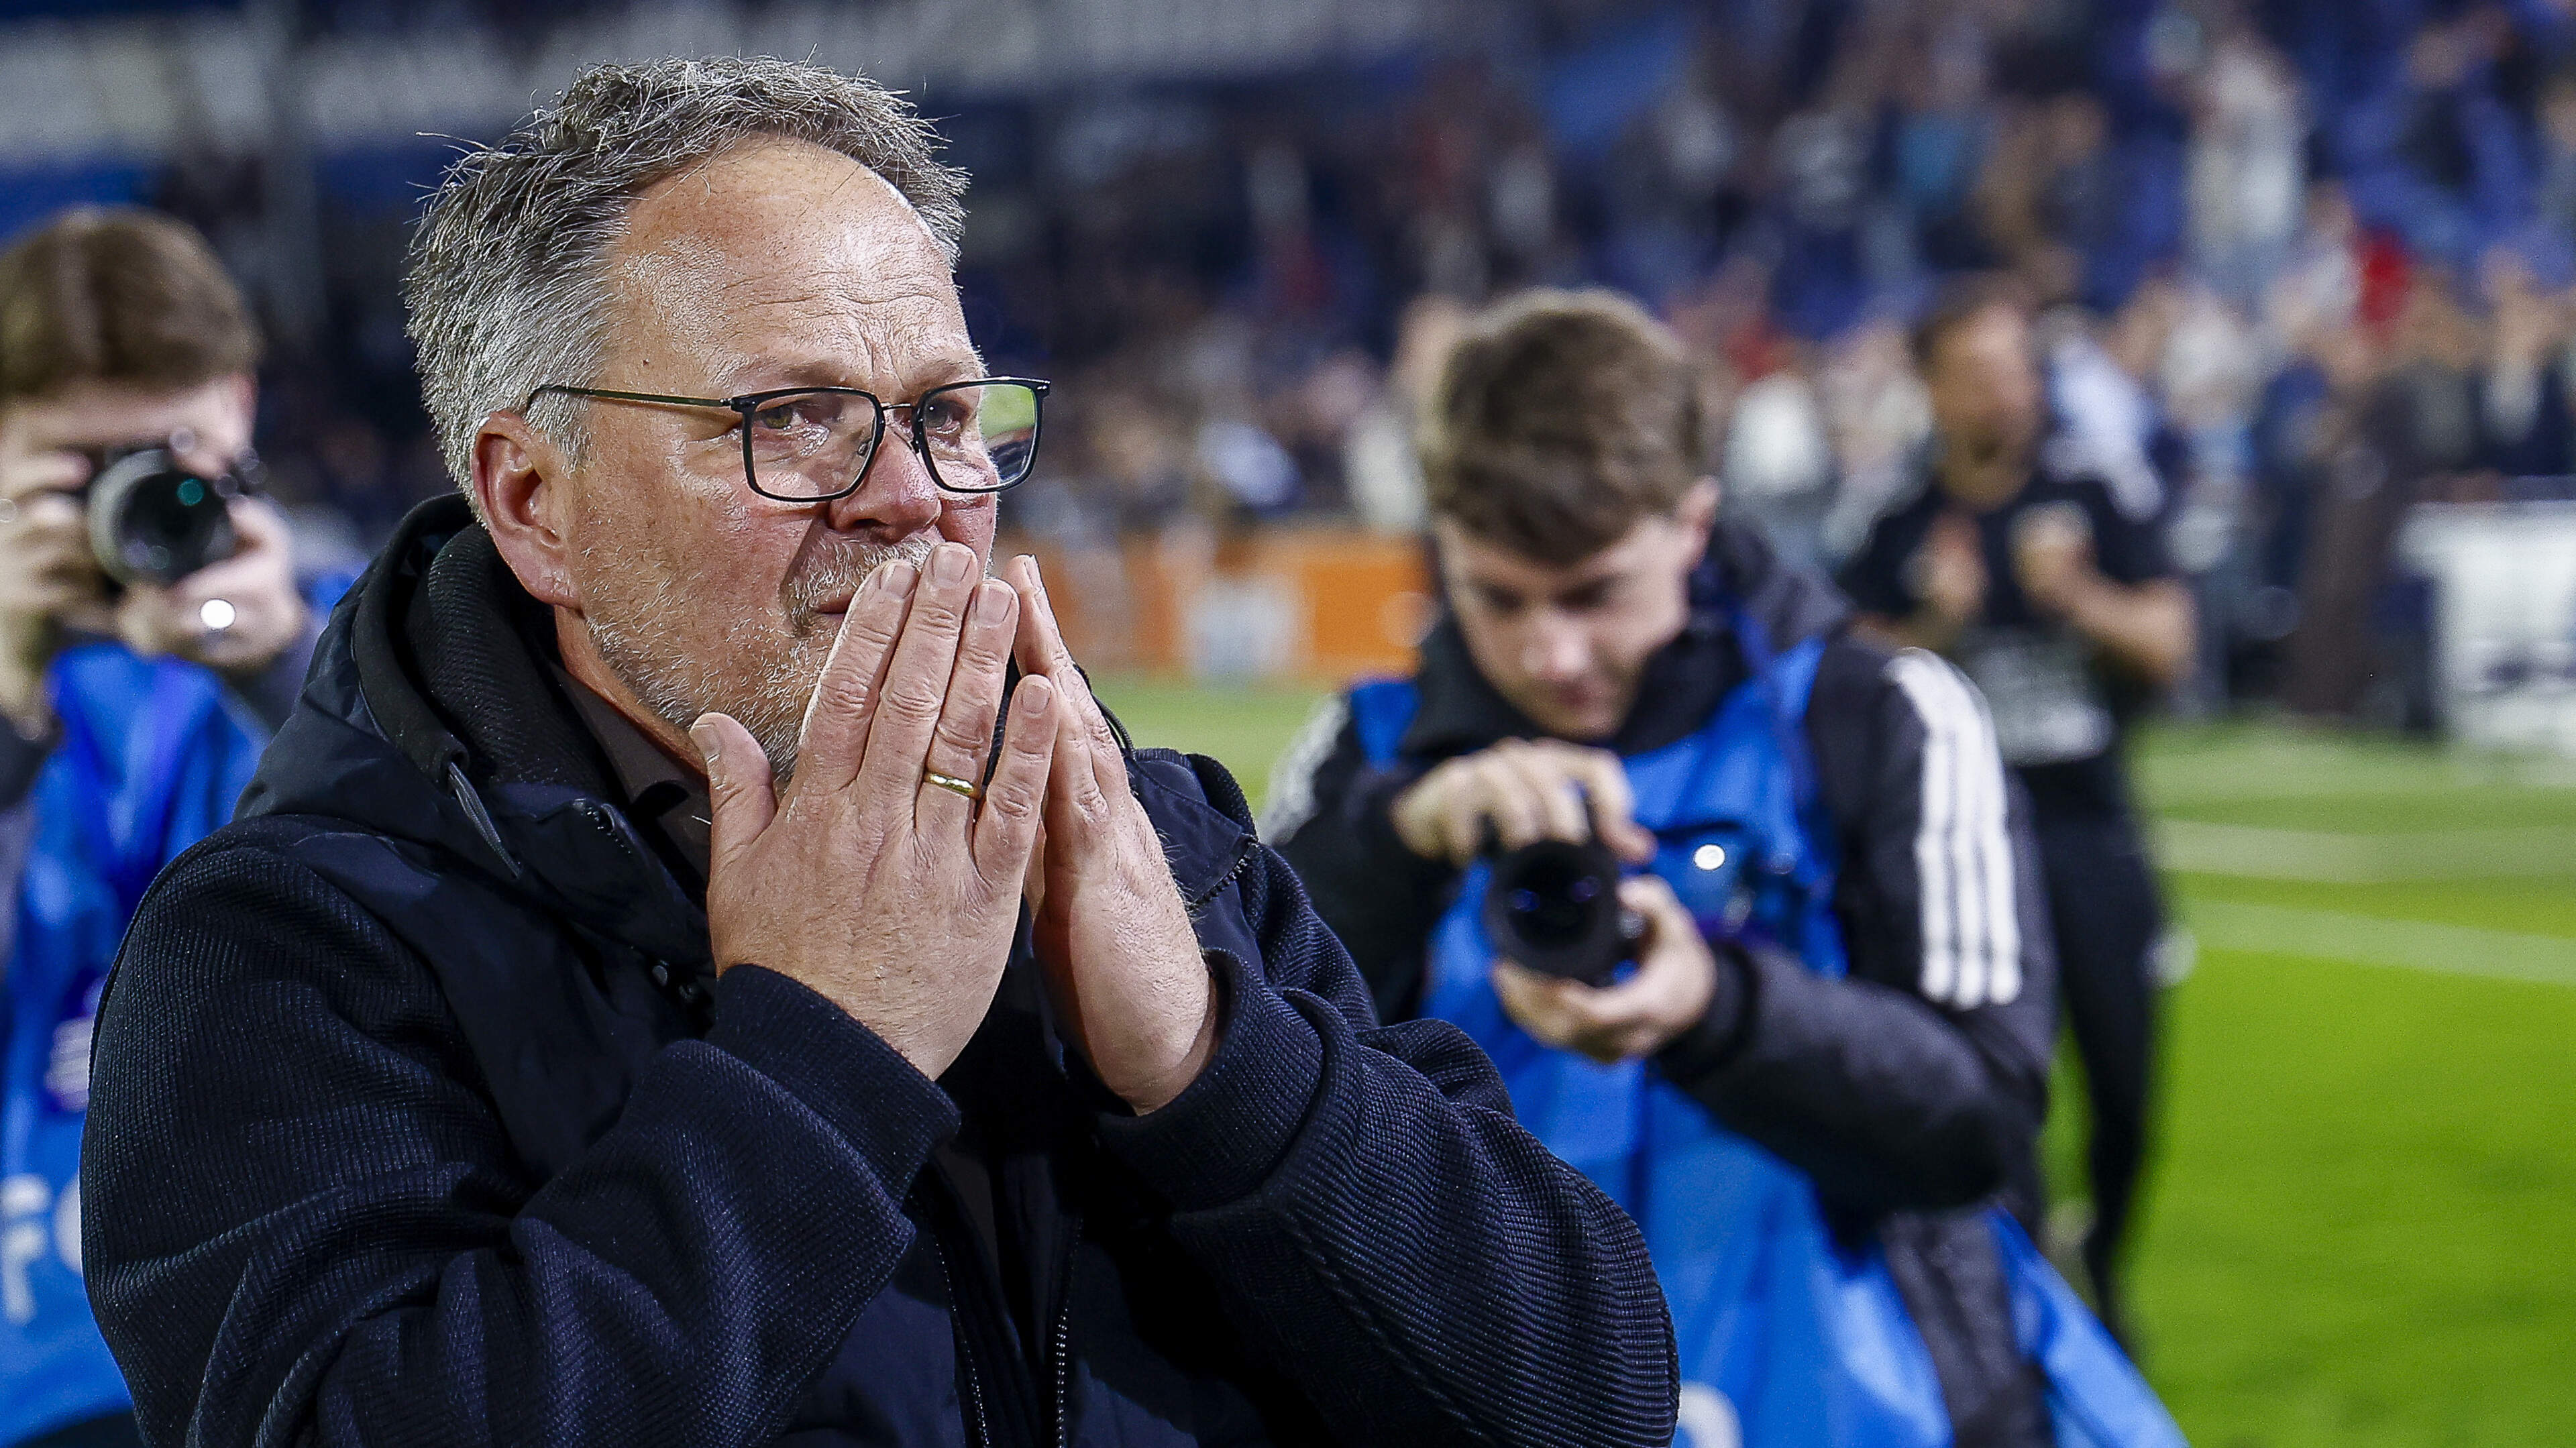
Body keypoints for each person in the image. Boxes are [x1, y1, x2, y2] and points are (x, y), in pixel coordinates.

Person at [80, 58, 1673, 1448]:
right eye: (793, 421)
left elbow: (1590, 1399)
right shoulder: (288, 949)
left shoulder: (1156, 838)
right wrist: (823, 1053)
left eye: (947, 413)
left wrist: (1213, 1057)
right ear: (531, 503)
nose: (911, 493)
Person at [1268, 288, 2181, 1448]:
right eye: (1496, 598)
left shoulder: (1877, 719)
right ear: (1442, 541)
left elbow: (1983, 1123)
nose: (1554, 653)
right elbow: (1239, 1092)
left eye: (1597, 593)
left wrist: (1715, 1010)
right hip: (1481, 1397)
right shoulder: (1368, 752)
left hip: (1858, 1405)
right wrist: (1396, 841)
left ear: (1693, 526)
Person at [0, 209, 318, 1448]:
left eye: (169, 455)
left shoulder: (362, 656)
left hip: (289, 1338)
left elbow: (468, 933)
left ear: (239, 407)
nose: (134, 507)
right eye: (81, 474)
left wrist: (282, 674)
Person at [1838, 276, 2198, 1346]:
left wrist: (2078, 598)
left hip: (2090, 828)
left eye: (2018, 369)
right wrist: (1931, 625)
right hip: (1959, 849)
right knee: (2002, 1088)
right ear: (1935, 390)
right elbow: (1835, 676)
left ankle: (2105, 1247)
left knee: (2129, 1090)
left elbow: (2172, 644)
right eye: (1981, 373)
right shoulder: (1896, 515)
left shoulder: (2094, 491)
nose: (2007, 393)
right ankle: (2034, 1299)